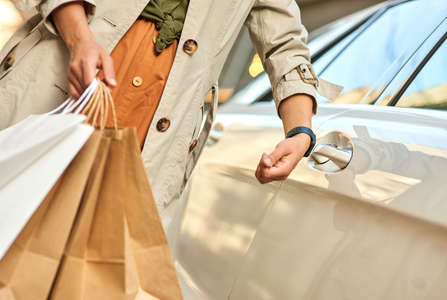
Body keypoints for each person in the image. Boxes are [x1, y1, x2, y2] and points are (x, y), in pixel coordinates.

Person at [0, 0, 340, 216]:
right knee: (13, 217)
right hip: (70, 73)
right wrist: (79, 40)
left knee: (90, 266)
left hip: (158, 118)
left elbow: (285, 44)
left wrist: (300, 131)